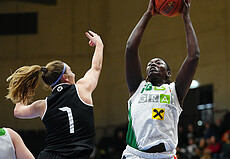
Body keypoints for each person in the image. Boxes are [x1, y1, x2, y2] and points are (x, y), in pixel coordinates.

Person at [6, 30, 104, 159]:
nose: (74, 74)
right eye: (71, 71)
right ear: (65, 77)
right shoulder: (82, 89)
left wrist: (26, 92)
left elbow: (18, 111)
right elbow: (96, 67)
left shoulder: (43, 105)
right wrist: (99, 44)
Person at [122, 0, 200, 158]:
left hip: (166, 156)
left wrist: (186, 17)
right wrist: (148, 14)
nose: (151, 64)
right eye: (149, 63)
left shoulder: (174, 91)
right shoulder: (137, 87)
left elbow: (194, 56)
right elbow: (131, 47)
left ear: (168, 73)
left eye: (158, 63)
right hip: (136, 155)